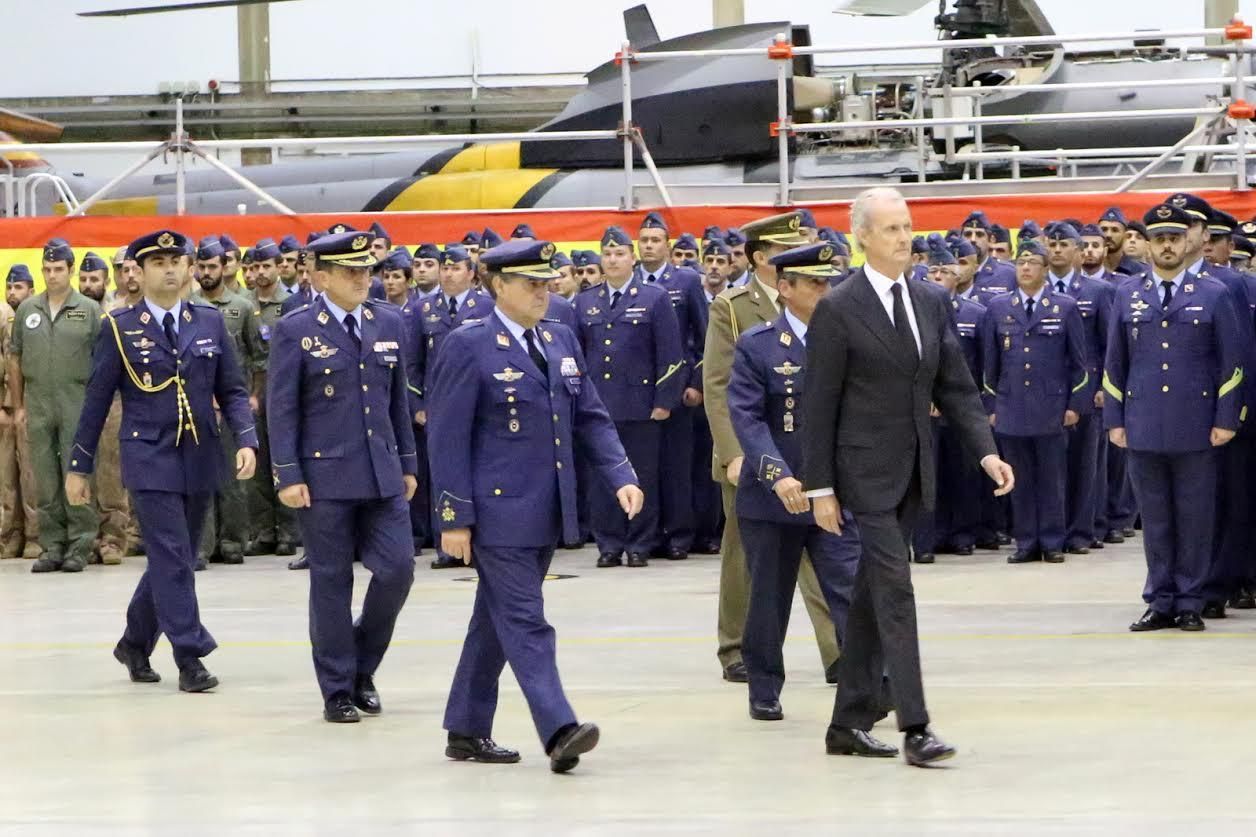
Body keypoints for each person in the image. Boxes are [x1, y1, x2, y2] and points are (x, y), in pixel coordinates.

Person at [803, 187, 1014, 766]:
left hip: (914, 468)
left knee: (871, 596)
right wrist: (820, 487)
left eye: (907, 226)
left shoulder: (929, 299)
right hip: (861, 472)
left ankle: (846, 723)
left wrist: (986, 452)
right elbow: (819, 403)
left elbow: (955, 385)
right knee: (896, 590)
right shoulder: (839, 307)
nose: (904, 238)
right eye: (891, 229)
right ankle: (915, 726)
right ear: (863, 237)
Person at [429, 238, 644, 773]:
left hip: (548, 508)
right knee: (526, 621)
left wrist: (620, 473)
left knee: (494, 621)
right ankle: (559, 728)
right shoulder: (468, 344)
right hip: (497, 513)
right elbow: (447, 438)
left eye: (546, 282)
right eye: (531, 283)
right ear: (498, 285)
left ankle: (466, 727)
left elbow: (589, 415)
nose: (543, 292)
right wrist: (454, 517)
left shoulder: (559, 337)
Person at [65, 229, 258, 692]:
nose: (169, 269)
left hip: (200, 452)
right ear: (139, 271)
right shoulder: (119, 326)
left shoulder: (208, 321)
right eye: (158, 262)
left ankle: (134, 643)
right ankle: (190, 654)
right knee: (172, 555)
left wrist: (246, 439)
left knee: (178, 556)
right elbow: (96, 400)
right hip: (148, 454)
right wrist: (79, 465)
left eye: (176, 261)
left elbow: (232, 389)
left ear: (189, 267)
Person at [266, 230, 418, 722]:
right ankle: (337, 688)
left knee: (397, 570)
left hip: (381, 472)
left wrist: (408, 463)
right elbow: (282, 409)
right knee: (331, 582)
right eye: (350, 272)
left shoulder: (388, 321)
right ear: (321, 277)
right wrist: (287, 474)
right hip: (324, 476)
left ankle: (362, 667)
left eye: (366, 270)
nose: (361, 279)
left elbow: (397, 400)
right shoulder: (296, 329)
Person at [704, 211, 843, 685]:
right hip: (752, 453)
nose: (797, 253)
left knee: (823, 554)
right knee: (747, 560)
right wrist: (733, 454)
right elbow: (718, 386)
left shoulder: (823, 304)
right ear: (762, 257)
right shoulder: (732, 306)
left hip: (808, 452)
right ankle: (736, 648)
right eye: (786, 249)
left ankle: (836, 650)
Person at [728, 241, 860, 722]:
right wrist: (776, 475)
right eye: (814, 284)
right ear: (786, 288)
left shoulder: (846, 338)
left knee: (850, 589)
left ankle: (870, 680)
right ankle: (764, 687)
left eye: (828, 282)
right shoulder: (759, 344)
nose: (825, 291)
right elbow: (746, 417)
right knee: (769, 597)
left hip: (834, 493)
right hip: (775, 498)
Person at [1104, 203, 1244, 632]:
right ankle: (1160, 600)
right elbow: (1115, 364)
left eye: (1174, 238)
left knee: (1194, 518)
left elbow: (1231, 364)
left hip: (1196, 424)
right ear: (1148, 245)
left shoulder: (1214, 293)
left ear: (1188, 242)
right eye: (1159, 238)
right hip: (1143, 423)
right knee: (1156, 520)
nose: (1167, 246)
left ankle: (1189, 601)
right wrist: (1115, 419)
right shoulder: (1128, 294)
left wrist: (1226, 419)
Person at [573, 225, 684, 568]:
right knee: (601, 478)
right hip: (599, 406)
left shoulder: (654, 297)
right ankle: (608, 543)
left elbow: (671, 354)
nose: (612, 260)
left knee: (641, 476)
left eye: (619, 253)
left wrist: (664, 401)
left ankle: (639, 543)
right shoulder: (586, 300)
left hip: (640, 405)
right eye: (607, 254)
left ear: (632, 258)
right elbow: (577, 356)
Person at [981, 235, 1088, 564]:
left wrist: (1074, 405)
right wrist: (992, 406)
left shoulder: (1064, 306)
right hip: (1012, 406)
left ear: (1045, 269)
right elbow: (990, 364)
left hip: (1050, 406)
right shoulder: (999, 307)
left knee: (1052, 479)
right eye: (1021, 263)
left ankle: (1053, 541)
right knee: (1020, 478)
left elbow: (1079, 363)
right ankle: (1026, 541)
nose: (1025, 268)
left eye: (1032, 263)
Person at [11, 240, 103, 573]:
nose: (52, 276)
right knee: (45, 477)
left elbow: (103, 361)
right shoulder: (27, 310)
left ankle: (81, 544)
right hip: (38, 404)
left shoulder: (89, 310)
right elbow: (15, 358)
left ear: (70, 270)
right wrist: (19, 406)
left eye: (58, 269)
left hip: (76, 401)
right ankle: (52, 545)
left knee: (76, 472)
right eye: (47, 270)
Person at [409, 244, 495, 570]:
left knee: (478, 471)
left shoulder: (486, 306)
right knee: (441, 473)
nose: (448, 274)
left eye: (455, 268)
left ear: (471, 273)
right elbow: (412, 363)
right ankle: (447, 546)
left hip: (479, 405)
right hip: (438, 407)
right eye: (444, 268)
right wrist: (418, 404)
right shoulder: (422, 309)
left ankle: (480, 541)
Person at [634, 211, 708, 560]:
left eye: (655, 240)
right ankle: (648, 534)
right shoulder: (630, 280)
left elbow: (703, 336)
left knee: (677, 466)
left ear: (667, 245)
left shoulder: (686, 280)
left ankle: (679, 534)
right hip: (639, 390)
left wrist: (696, 383)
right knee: (645, 467)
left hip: (678, 387)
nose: (649, 246)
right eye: (644, 240)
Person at [911, 237, 986, 563]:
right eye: (933, 271)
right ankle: (926, 540)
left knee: (962, 472)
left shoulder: (973, 313)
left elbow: (975, 364)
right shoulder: (915, 311)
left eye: (945, 271)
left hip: (957, 405)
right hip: (925, 406)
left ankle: (961, 534)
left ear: (958, 276)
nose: (938, 276)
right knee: (928, 474)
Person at [192, 236, 257, 569]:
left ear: (224, 267)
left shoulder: (242, 308)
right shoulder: (188, 307)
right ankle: (201, 546)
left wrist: (253, 396)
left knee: (233, 479)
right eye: (201, 267)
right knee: (201, 476)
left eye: (212, 266)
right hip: (198, 406)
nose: (207, 272)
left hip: (232, 404)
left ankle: (232, 540)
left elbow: (258, 356)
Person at [244, 238, 297, 557]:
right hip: (251, 393)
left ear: (279, 267)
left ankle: (289, 531)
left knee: (283, 459)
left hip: (281, 391)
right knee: (257, 465)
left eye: (266, 266)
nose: (260, 272)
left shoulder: (290, 304)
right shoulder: (244, 303)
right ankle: (263, 530)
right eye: (255, 267)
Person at [0, 265, 40, 560]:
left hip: (29, 406)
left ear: (31, 290)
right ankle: (10, 535)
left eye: (19, 287)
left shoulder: (34, 318)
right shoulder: (4, 316)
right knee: (6, 477)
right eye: (9, 287)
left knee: (31, 474)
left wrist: (16, 405)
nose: (13, 293)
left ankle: (35, 535)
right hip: (6, 409)